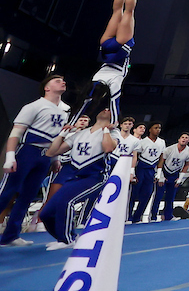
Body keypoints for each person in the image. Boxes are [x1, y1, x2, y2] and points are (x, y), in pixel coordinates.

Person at [0, 75, 70, 247]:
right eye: (57, 80)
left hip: (46, 155)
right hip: (27, 151)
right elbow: (16, 133)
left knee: (28, 195)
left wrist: (55, 158)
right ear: (46, 88)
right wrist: (10, 157)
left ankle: (10, 236)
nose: (62, 82)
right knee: (8, 191)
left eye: (63, 80)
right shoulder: (34, 106)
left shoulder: (66, 110)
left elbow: (57, 137)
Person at [40, 109, 116, 250]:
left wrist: (106, 130)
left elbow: (108, 148)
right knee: (45, 213)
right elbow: (52, 151)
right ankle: (63, 237)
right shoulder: (80, 133)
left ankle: (67, 239)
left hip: (96, 176)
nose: (105, 109)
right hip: (76, 176)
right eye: (103, 108)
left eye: (109, 109)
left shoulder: (113, 132)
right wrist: (63, 133)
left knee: (67, 201)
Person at [74, 0, 144, 125]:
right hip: (105, 49)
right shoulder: (95, 79)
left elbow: (115, 101)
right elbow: (84, 102)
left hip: (120, 49)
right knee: (117, 11)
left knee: (128, 12)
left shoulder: (115, 81)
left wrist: (114, 122)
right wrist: (72, 121)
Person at [153, 133, 189, 222]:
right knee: (158, 196)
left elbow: (186, 165)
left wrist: (180, 178)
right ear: (179, 139)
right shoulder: (169, 149)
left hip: (175, 174)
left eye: (186, 138)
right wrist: (160, 176)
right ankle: (153, 216)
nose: (184, 139)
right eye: (182, 137)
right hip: (164, 172)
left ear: (188, 141)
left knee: (170, 197)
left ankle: (168, 216)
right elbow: (160, 162)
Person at [131, 122, 166, 223]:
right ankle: (129, 216)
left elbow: (161, 158)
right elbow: (135, 156)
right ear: (150, 130)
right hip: (141, 169)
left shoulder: (161, 142)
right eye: (155, 128)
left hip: (151, 170)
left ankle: (138, 216)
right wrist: (133, 172)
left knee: (147, 194)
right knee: (134, 193)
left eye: (159, 128)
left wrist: (159, 172)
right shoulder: (142, 142)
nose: (158, 130)